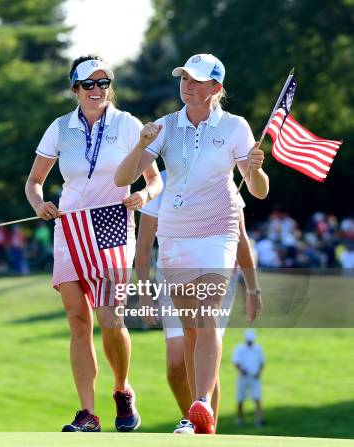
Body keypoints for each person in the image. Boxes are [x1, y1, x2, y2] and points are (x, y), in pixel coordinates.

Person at [115, 53, 269, 434]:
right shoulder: (165, 126)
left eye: (197, 80)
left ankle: (202, 403)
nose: (187, 84)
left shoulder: (235, 127)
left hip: (218, 230)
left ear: (216, 87)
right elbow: (123, 178)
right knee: (189, 329)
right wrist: (140, 145)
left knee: (207, 315)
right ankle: (199, 420)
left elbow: (259, 191)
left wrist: (256, 167)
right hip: (174, 233)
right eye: (184, 78)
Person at [25, 55, 163, 432]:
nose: (98, 90)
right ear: (75, 88)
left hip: (113, 224)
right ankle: (87, 412)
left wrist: (145, 197)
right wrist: (40, 205)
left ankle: (121, 389)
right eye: (89, 84)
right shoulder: (59, 128)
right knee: (77, 320)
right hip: (70, 228)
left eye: (104, 83)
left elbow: (155, 180)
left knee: (109, 314)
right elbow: (34, 182)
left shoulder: (127, 124)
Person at [135, 170, 263, 434]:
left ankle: (204, 424)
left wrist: (253, 290)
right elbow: (144, 245)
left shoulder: (221, 177)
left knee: (205, 339)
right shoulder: (160, 182)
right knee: (175, 363)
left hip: (214, 269)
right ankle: (192, 417)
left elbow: (241, 238)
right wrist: (145, 291)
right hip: (171, 273)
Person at [233, 329, 265, 427]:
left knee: (257, 398)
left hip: (255, 377)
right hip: (243, 377)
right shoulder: (239, 349)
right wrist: (242, 370)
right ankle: (240, 419)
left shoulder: (258, 349)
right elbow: (236, 362)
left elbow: (261, 362)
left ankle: (258, 421)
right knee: (240, 399)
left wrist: (259, 372)